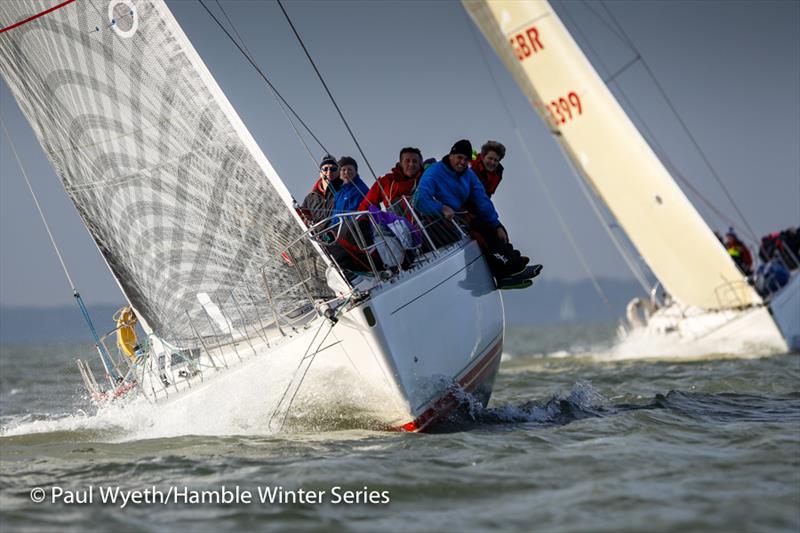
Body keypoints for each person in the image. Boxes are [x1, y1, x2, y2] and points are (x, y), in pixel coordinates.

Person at [414, 139, 540, 288]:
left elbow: (482, 200)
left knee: (492, 228)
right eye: (459, 157)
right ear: (451, 155)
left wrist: (497, 224)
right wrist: (440, 208)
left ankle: (508, 270)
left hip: (458, 217)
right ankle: (515, 268)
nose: (462, 162)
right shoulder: (435, 171)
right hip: (439, 221)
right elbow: (419, 200)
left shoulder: (468, 174)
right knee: (481, 230)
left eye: (466, 159)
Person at [358, 147, 423, 213]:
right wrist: (363, 220)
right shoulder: (386, 180)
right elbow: (367, 203)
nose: (411, 164)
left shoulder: (425, 179)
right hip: (395, 220)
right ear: (400, 163)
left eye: (415, 161)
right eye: (407, 161)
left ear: (420, 164)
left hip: (423, 219)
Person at [299, 154, 341, 226]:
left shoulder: (343, 192)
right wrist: (305, 218)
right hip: (316, 235)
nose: (329, 172)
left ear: (338, 172)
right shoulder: (310, 198)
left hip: (336, 234)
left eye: (333, 169)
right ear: (320, 173)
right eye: (325, 169)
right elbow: (303, 216)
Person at [331, 156, 369, 226]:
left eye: (350, 169)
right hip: (340, 229)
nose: (347, 172)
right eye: (343, 170)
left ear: (356, 171)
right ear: (339, 174)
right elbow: (335, 215)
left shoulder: (361, 189)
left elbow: (358, 212)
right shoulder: (339, 194)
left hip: (356, 228)